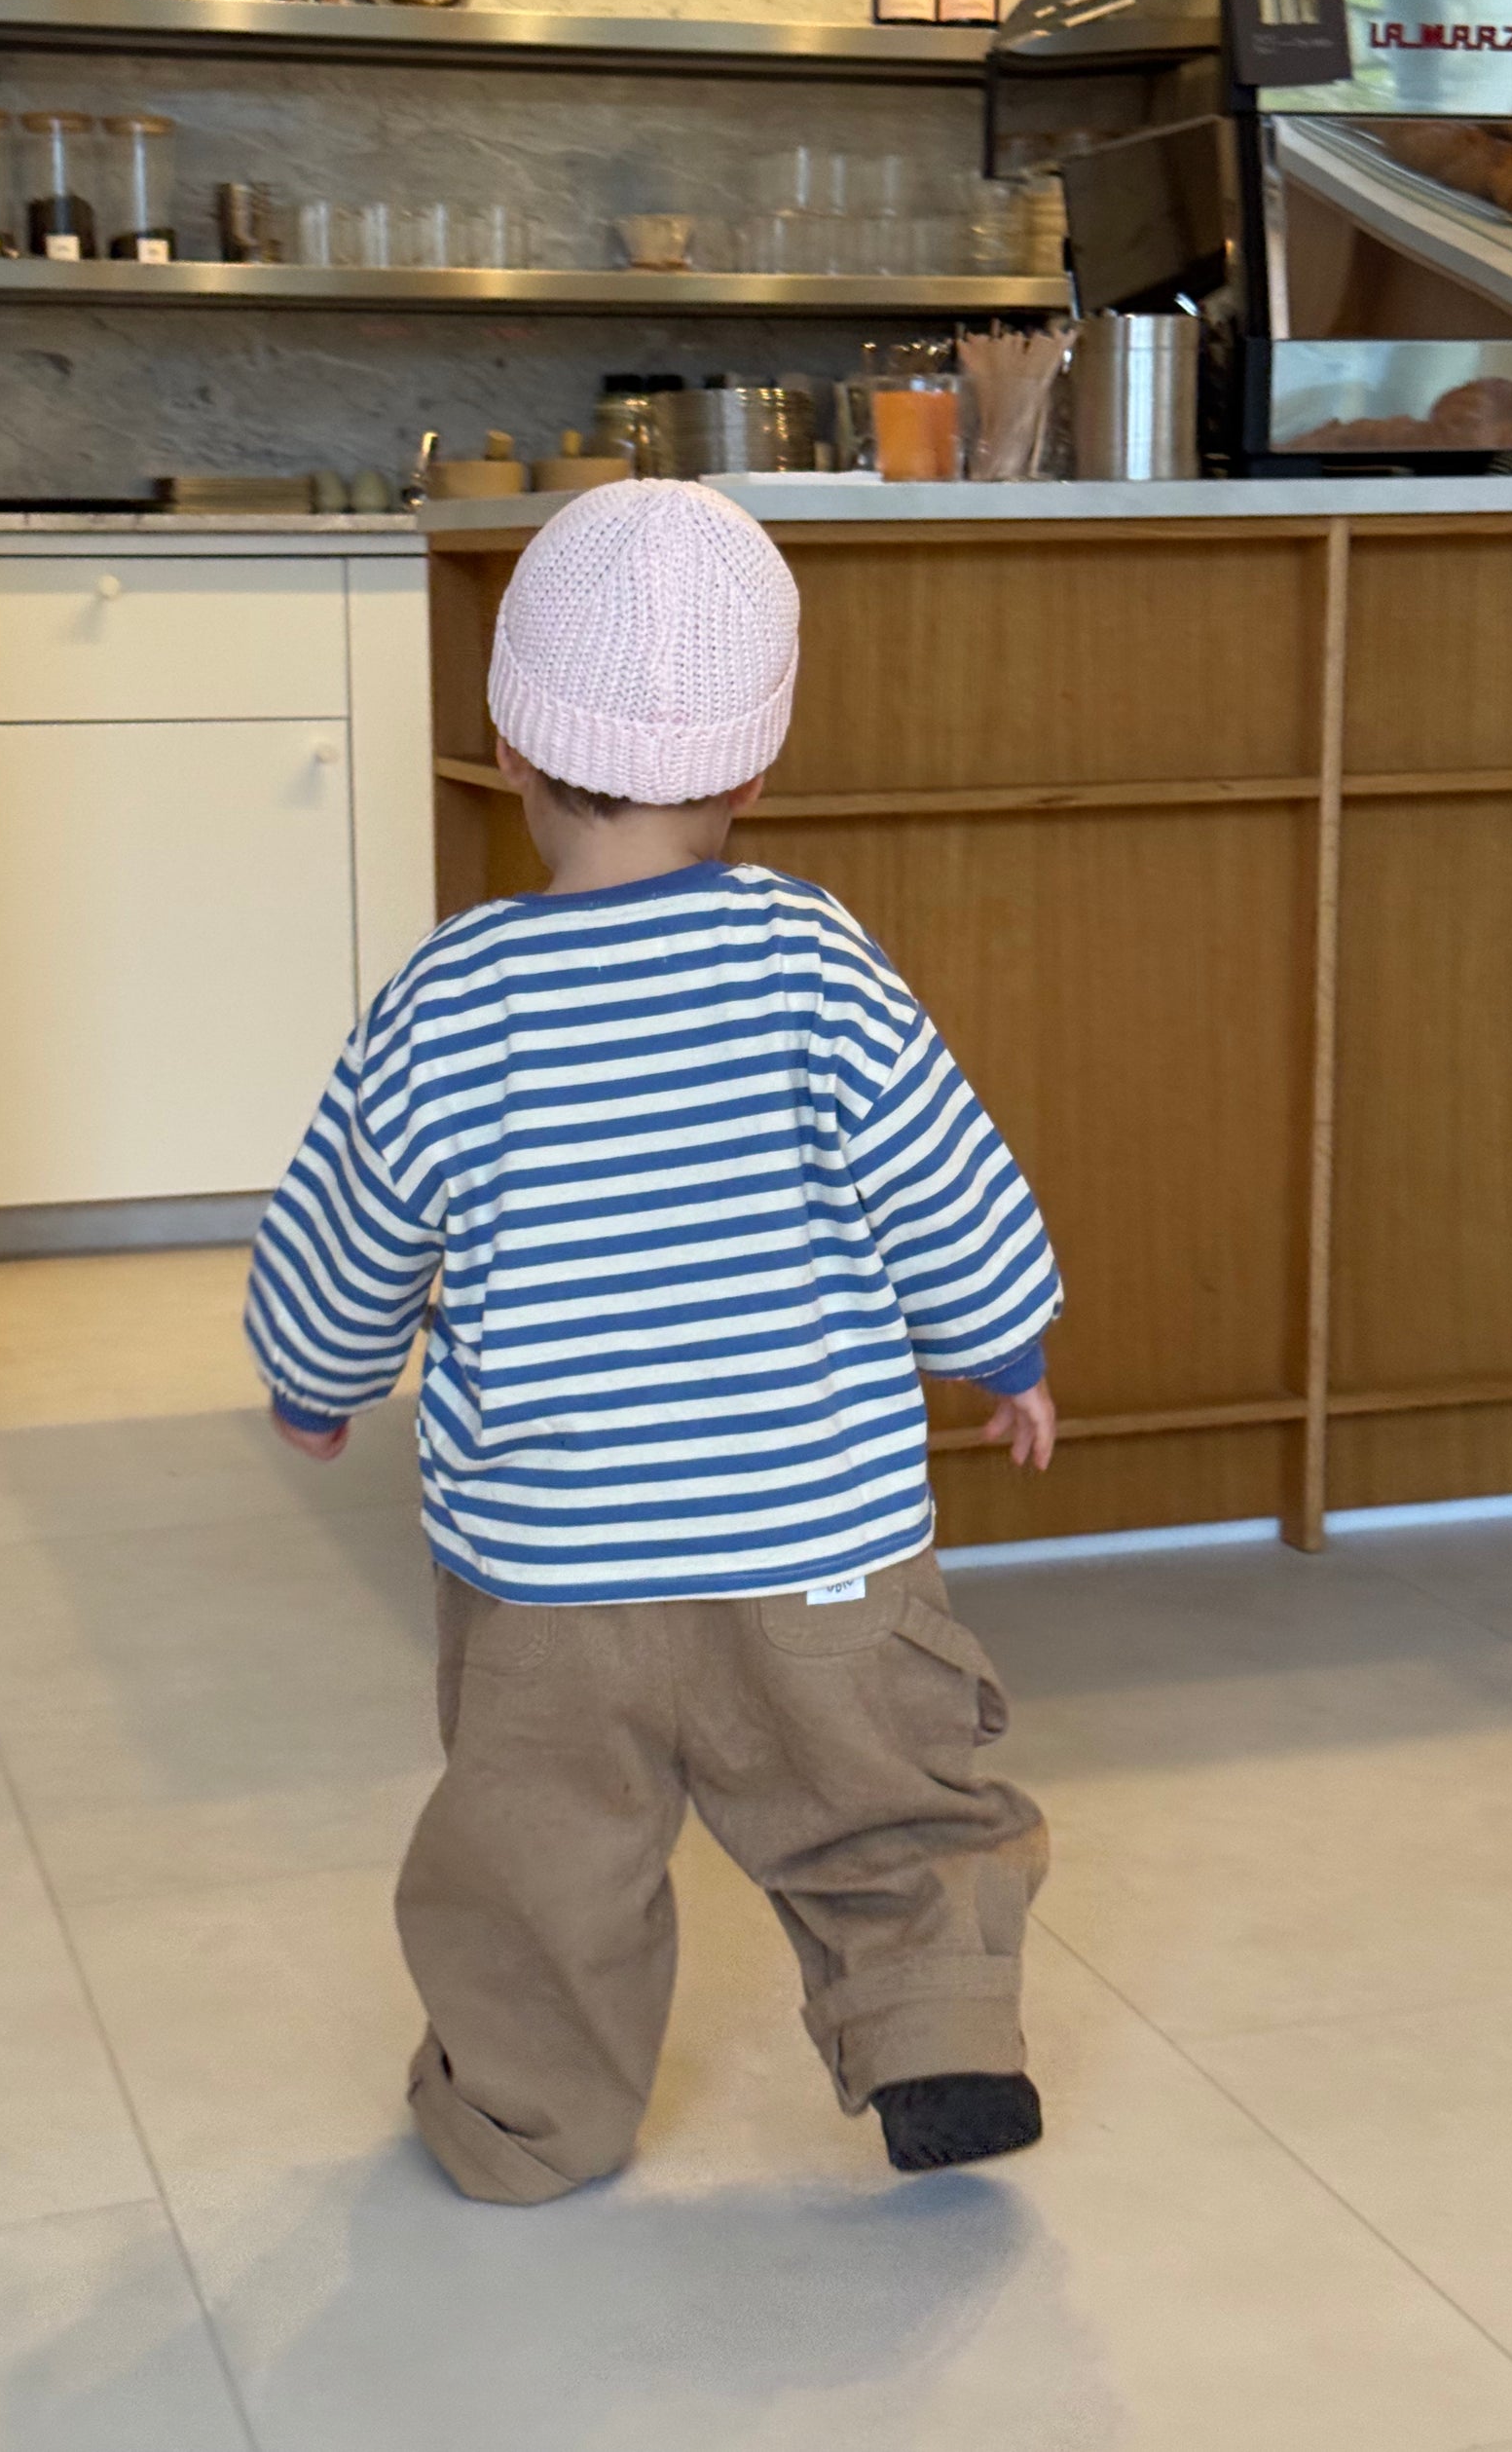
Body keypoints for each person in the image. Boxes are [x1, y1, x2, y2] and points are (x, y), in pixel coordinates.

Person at [245, 478, 1064, 2207]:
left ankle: (527, 2125)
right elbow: (942, 1175)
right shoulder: (812, 958)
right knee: (885, 1807)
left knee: (538, 1870)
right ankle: (934, 2030)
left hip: (552, 1579)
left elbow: (347, 1230)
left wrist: (314, 1384)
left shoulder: (449, 995)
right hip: (816, 1549)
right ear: (755, 770)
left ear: (506, 745)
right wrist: (1003, 1346)